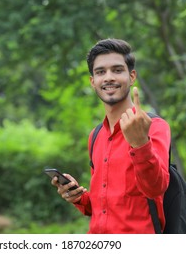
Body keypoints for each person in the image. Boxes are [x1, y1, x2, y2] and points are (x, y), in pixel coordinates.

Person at [51, 38, 171, 233]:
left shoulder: (154, 127)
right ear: (93, 81)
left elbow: (155, 189)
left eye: (117, 70)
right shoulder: (96, 135)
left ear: (132, 77)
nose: (108, 77)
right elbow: (102, 207)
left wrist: (141, 144)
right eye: (100, 72)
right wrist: (79, 197)